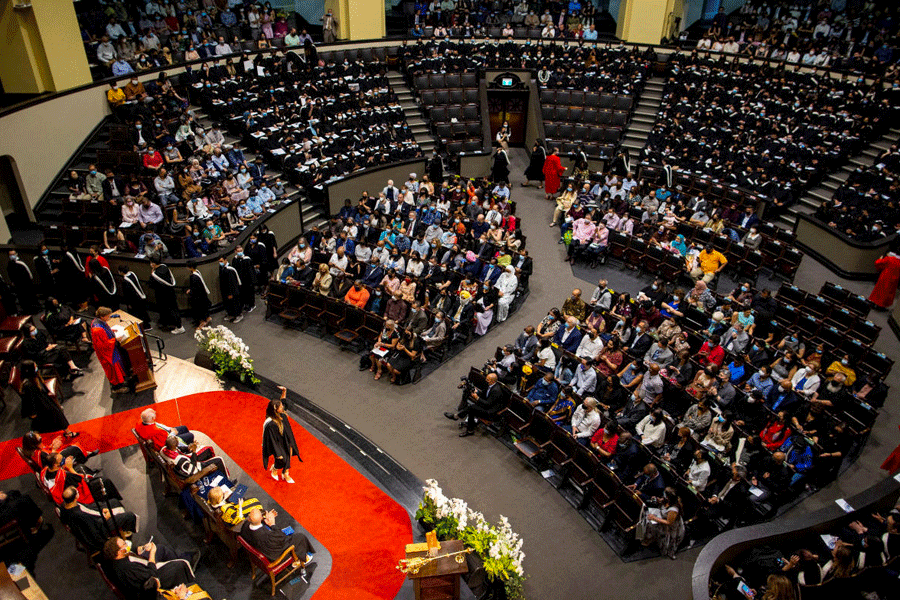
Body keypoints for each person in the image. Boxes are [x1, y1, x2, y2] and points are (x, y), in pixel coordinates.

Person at [104, 536, 195, 594]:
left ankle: (179, 558)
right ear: (119, 552)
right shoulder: (128, 568)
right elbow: (151, 575)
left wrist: (143, 548)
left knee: (161, 549)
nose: (126, 544)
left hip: (142, 565)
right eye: (124, 544)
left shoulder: (118, 557)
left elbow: (133, 551)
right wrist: (152, 553)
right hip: (150, 583)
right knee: (178, 566)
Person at [59, 485, 139, 552]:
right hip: (99, 528)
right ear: (75, 497)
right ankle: (127, 532)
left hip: (92, 517)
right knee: (129, 515)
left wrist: (101, 510)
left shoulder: (64, 505)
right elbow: (94, 527)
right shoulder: (79, 515)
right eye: (77, 492)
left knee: (114, 502)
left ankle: (123, 528)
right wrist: (106, 516)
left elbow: (87, 508)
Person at [239, 507, 315, 573]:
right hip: (274, 556)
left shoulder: (245, 526)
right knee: (300, 537)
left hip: (262, 548)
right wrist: (272, 524)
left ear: (249, 519)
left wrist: (266, 521)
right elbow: (282, 538)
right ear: (261, 518)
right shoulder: (267, 536)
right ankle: (303, 558)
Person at [18, 360, 75, 435]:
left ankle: (67, 432)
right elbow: (30, 401)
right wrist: (33, 413)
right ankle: (68, 433)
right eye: (34, 367)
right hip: (40, 407)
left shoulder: (34, 377)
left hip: (44, 401)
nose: (36, 368)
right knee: (56, 413)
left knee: (56, 412)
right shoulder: (28, 385)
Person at [444, 372, 504, 437]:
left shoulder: (496, 391)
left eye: (488, 380)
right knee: (471, 410)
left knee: (472, 408)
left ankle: (456, 417)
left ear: (493, 381)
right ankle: (469, 429)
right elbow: (483, 394)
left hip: (490, 412)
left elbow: (488, 404)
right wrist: (477, 392)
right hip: (486, 406)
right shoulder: (489, 385)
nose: (486, 380)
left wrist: (477, 398)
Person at [263, 386, 301, 483]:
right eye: (280, 407)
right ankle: (275, 469)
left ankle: (286, 473)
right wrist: (277, 453)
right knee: (282, 459)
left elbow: (283, 401)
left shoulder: (282, 414)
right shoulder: (271, 423)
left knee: (289, 454)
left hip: (288, 438)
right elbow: (271, 439)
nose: (282, 407)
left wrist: (284, 391)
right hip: (279, 443)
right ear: (276, 409)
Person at [90, 307, 131, 394]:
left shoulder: (98, 321)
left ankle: (121, 381)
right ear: (102, 316)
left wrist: (111, 331)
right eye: (108, 316)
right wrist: (116, 339)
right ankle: (117, 388)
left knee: (117, 367)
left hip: (111, 350)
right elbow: (103, 345)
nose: (109, 318)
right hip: (107, 353)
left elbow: (104, 333)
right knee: (113, 370)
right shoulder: (97, 329)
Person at [641, 487, 685, 559]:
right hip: (662, 517)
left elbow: (669, 522)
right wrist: (657, 500)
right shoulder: (667, 500)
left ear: (668, 497)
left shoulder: (673, 509)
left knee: (669, 542)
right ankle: (649, 539)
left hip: (671, 528)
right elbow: (661, 502)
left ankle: (670, 552)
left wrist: (654, 518)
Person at [149, 260, 184, 333]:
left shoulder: (155, 274)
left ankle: (179, 327)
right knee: (174, 308)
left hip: (163, 296)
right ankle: (177, 324)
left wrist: (152, 274)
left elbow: (151, 285)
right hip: (171, 292)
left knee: (170, 310)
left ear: (153, 264)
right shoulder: (165, 267)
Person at [186, 263, 211, 328]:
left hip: (198, 297)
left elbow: (195, 288)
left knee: (199, 310)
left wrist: (190, 291)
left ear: (191, 267)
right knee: (204, 308)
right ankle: (207, 317)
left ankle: (202, 322)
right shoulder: (197, 272)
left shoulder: (193, 277)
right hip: (202, 294)